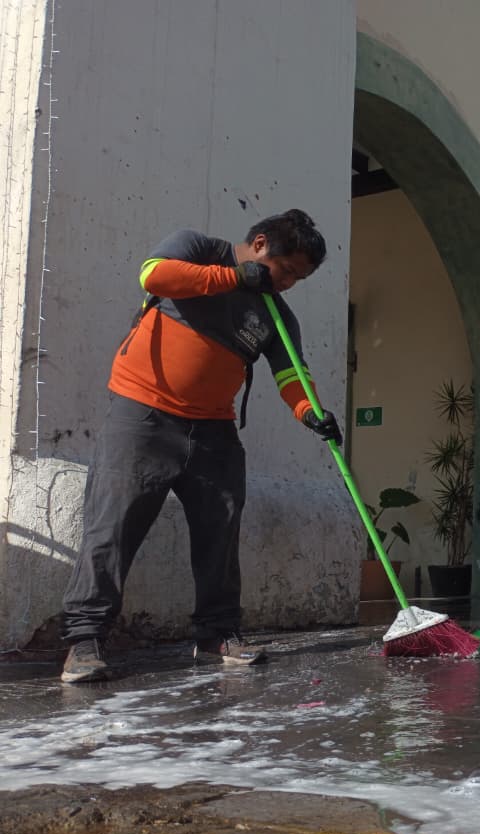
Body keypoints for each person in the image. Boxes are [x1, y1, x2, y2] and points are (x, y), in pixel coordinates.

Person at [60, 210, 339, 684]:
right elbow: (155, 275)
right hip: (143, 417)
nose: (289, 283)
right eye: (286, 270)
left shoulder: (276, 314)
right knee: (112, 526)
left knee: (221, 530)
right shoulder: (198, 249)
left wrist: (310, 411)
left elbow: (291, 373)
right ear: (260, 244)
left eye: (299, 278)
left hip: (213, 431)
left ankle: (217, 634)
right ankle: (84, 640)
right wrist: (235, 277)